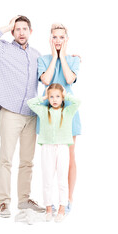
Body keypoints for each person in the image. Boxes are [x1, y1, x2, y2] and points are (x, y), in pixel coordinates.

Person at [0, 15, 45, 218]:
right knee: (6, 159)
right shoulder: (2, 49)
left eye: (24, 29)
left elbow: (47, 76)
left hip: (31, 113)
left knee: (27, 161)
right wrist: (8, 25)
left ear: (30, 31)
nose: (21, 32)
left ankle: (24, 200)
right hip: (10, 111)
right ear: (13, 31)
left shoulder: (37, 55)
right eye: (17, 29)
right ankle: (4, 202)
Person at [37, 23, 81, 213]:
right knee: (49, 159)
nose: (58, 40)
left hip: (68, 113)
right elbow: (46, 80)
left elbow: (69, 79)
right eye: (54, 37)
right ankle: (49, 202)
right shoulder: (43, 59)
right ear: (50, 39)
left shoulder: (73, 60)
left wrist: (62, 57)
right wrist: (54, 57)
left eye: (61, 37)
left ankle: (68, 199)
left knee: (69, 156)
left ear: (66, 39)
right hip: (48, 112)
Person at [27, 83, 81, 222]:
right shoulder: (44, 111)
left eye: (57, 96)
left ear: (61, 98)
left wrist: (65, 94)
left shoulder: (67, 112)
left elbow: (78, 102)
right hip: (47, 148)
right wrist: (44, 96)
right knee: (47, 179)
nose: (55, 99)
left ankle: (62, 209)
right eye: (52, 97)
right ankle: (49, 209)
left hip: (63, 147)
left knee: (62, 179)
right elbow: (30, 103)